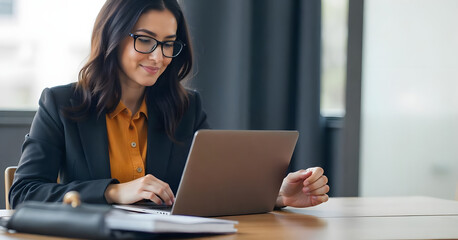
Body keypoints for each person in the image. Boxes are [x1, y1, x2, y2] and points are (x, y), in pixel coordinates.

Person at [9, 0, 329, 209]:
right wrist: (114, 191)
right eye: (145, 40)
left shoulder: (186, 107)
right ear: (112, 37)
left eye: (168, 44)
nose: (158, 56)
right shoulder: (61, 104)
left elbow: (214, 189)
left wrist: (278, 195)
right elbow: (23, 194)